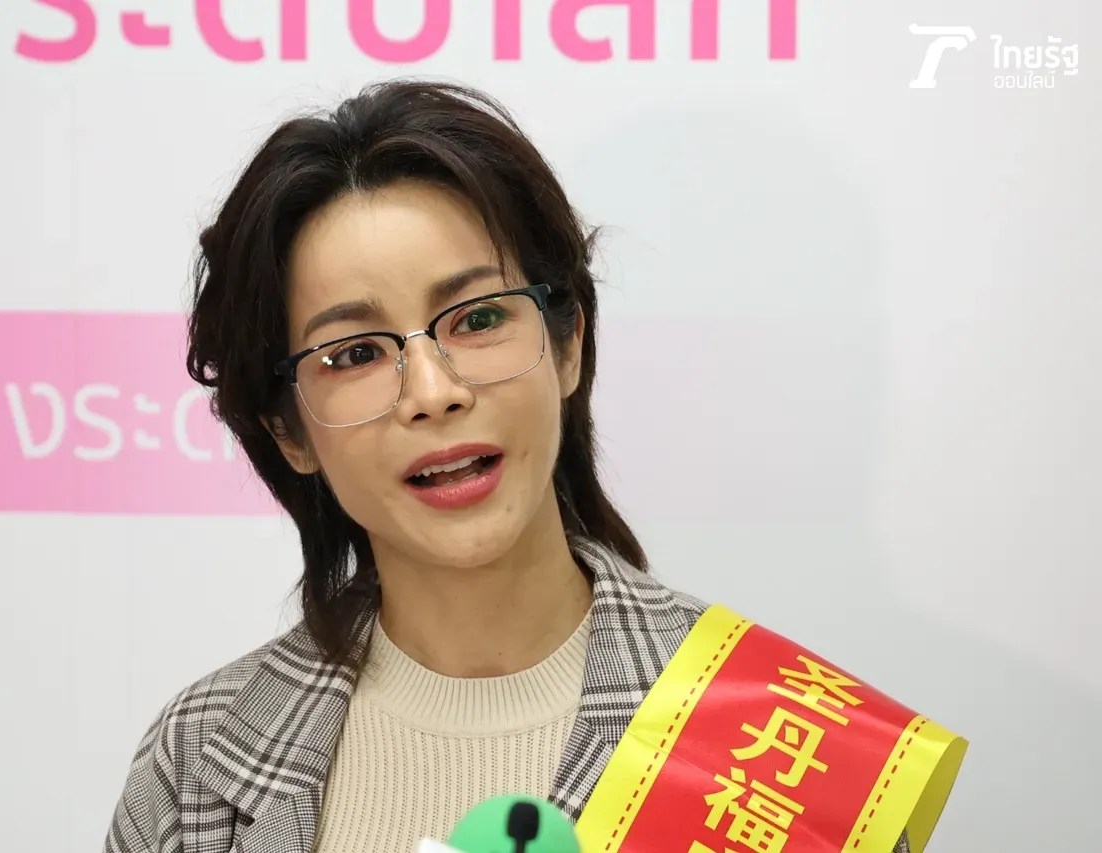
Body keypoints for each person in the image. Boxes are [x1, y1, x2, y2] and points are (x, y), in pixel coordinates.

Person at [101, 79, 911, 853]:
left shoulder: (788, 746)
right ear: (290, 430)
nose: (433, 392)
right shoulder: (198, 761)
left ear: (568, 344)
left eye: (479, 317)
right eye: (354, 353)